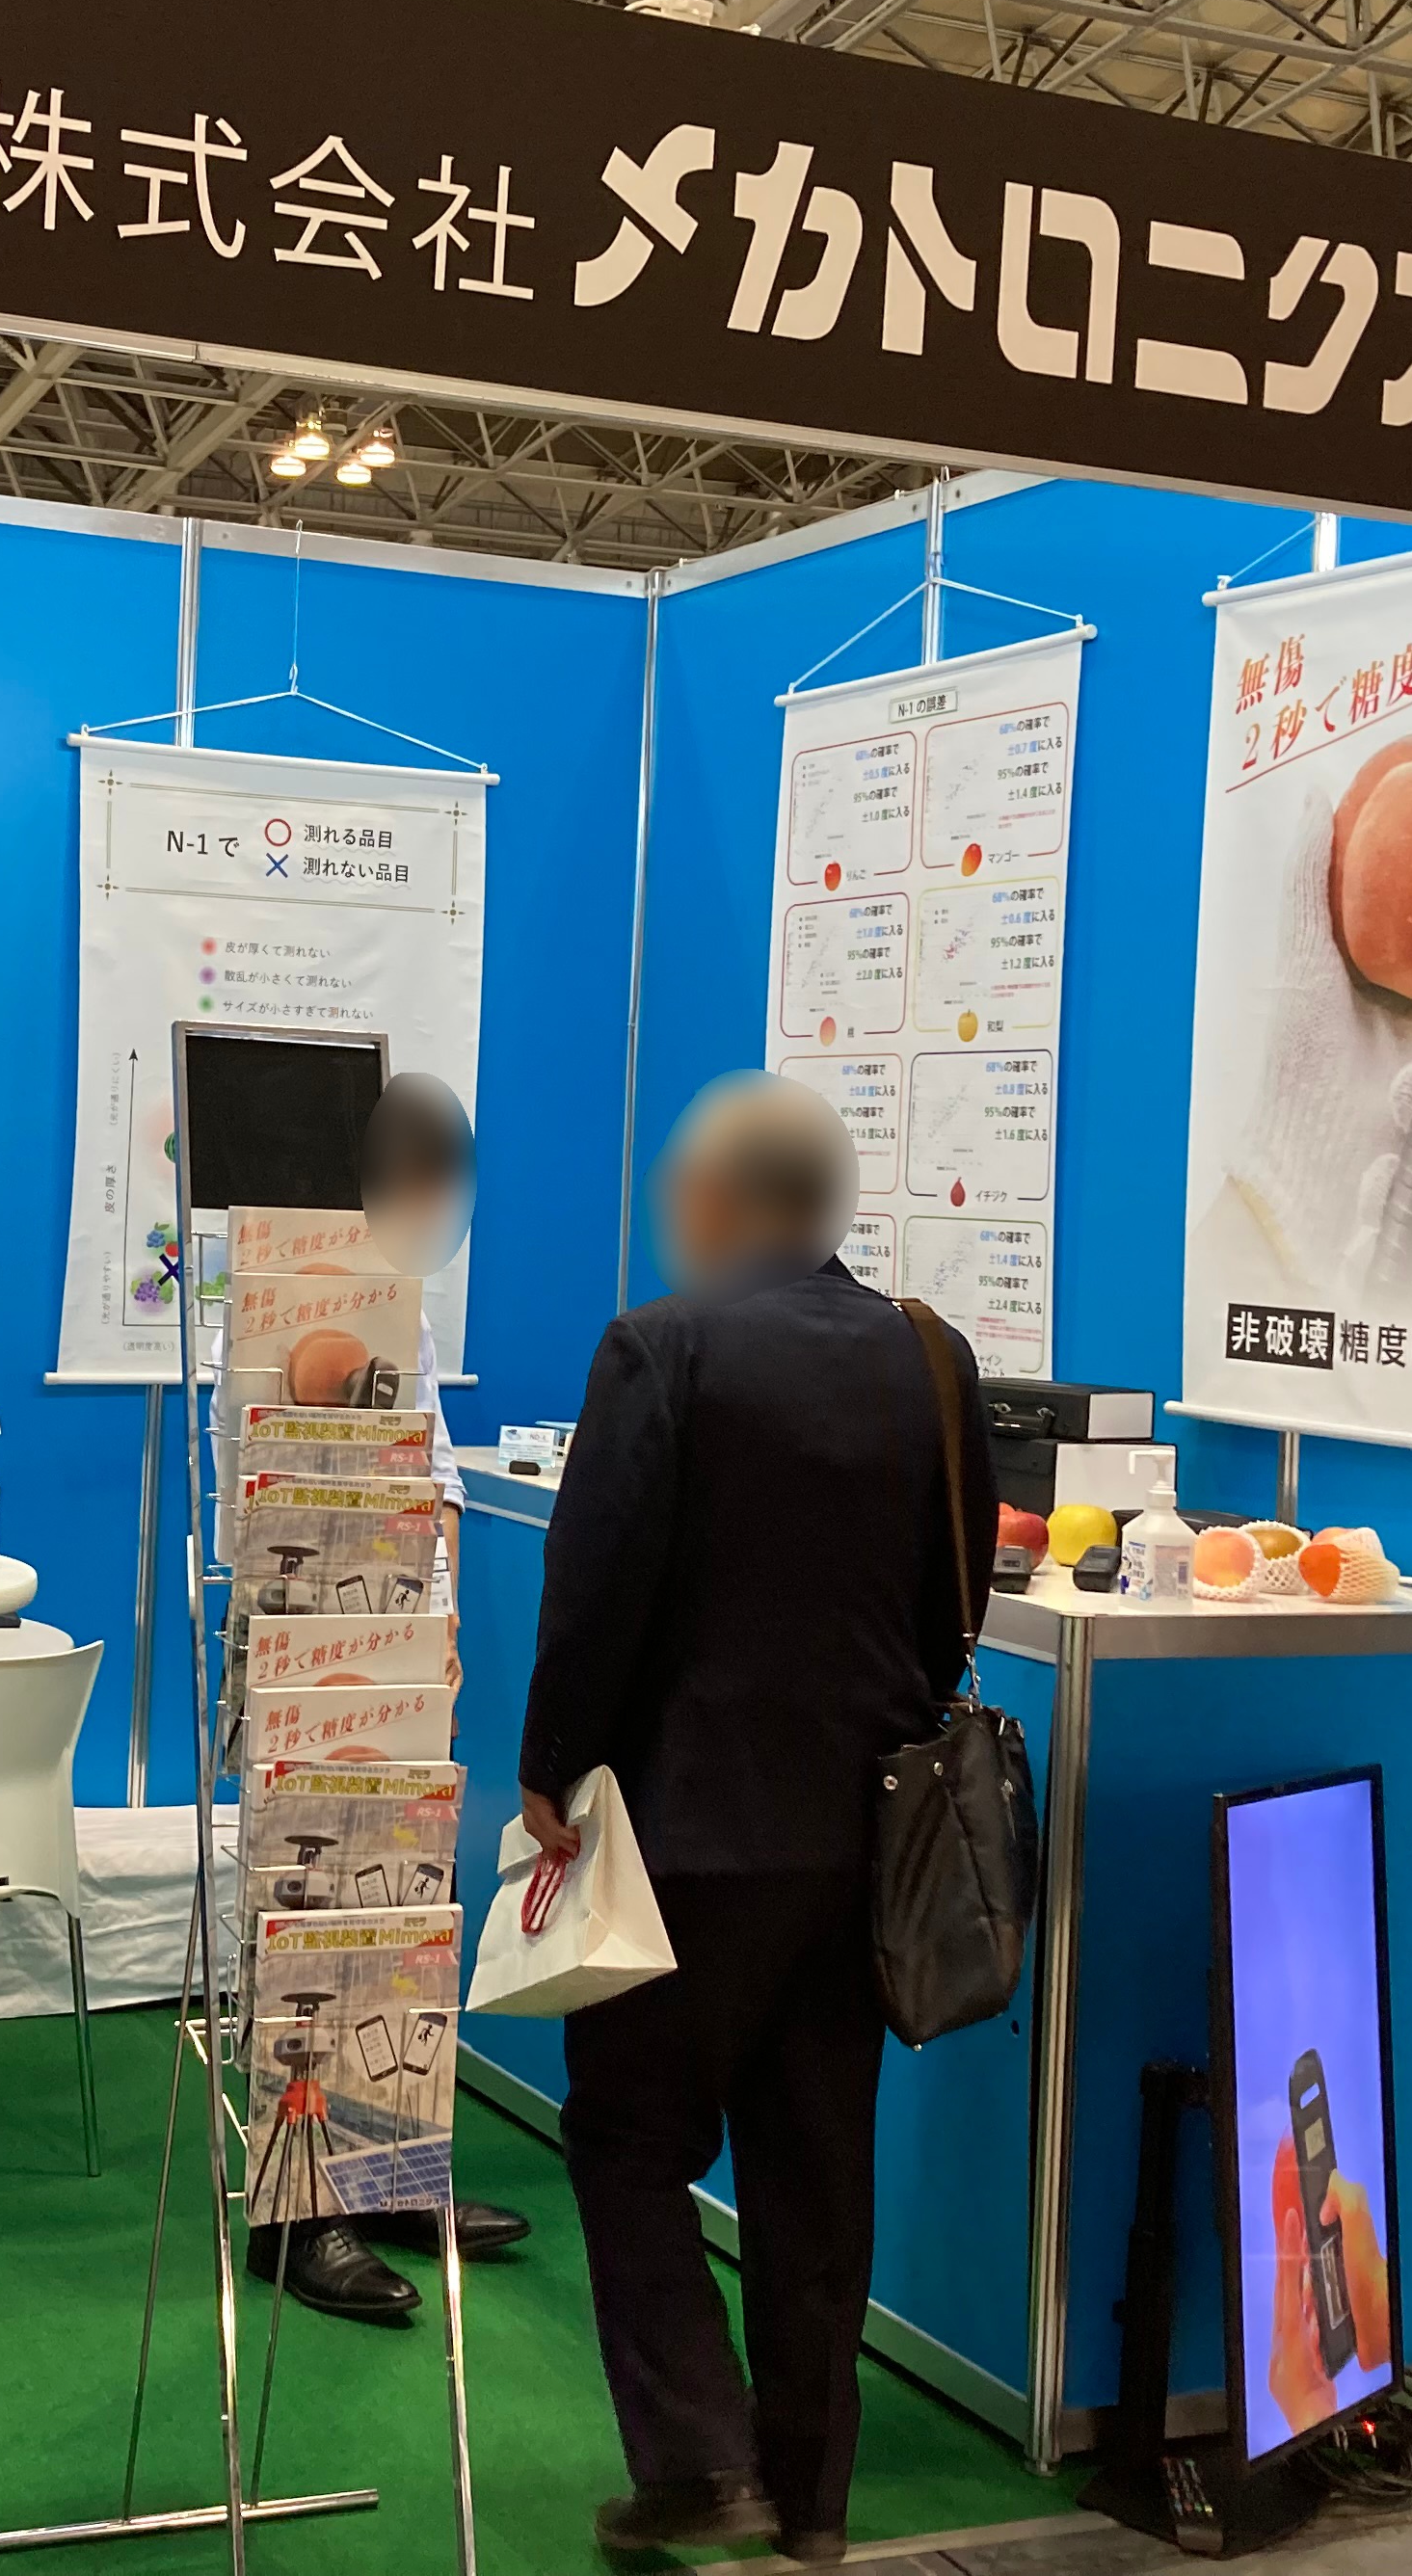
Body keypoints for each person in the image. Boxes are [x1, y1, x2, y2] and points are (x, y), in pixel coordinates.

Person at [519, 1073, 994, 2567]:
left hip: (688, 1834)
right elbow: (959, 1594)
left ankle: (697, 2463)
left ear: (720, 1202)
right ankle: (814, 2504)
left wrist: (550, 1770)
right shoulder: (931, 1357)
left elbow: (597, 1591)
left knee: (626, 2136)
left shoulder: (659, 1347)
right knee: (816, 2170)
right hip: (867, 1840)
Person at [237, 1070, 536, 2325]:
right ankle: (296, 2211)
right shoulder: (291, 1300)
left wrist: (442, 1623)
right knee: (309, 1929)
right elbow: (279, 1464)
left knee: (402, 1925)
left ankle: (397, 2173)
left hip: (408, 1646)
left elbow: (433, 1469)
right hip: (311, 1650)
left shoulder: (397, 1310)